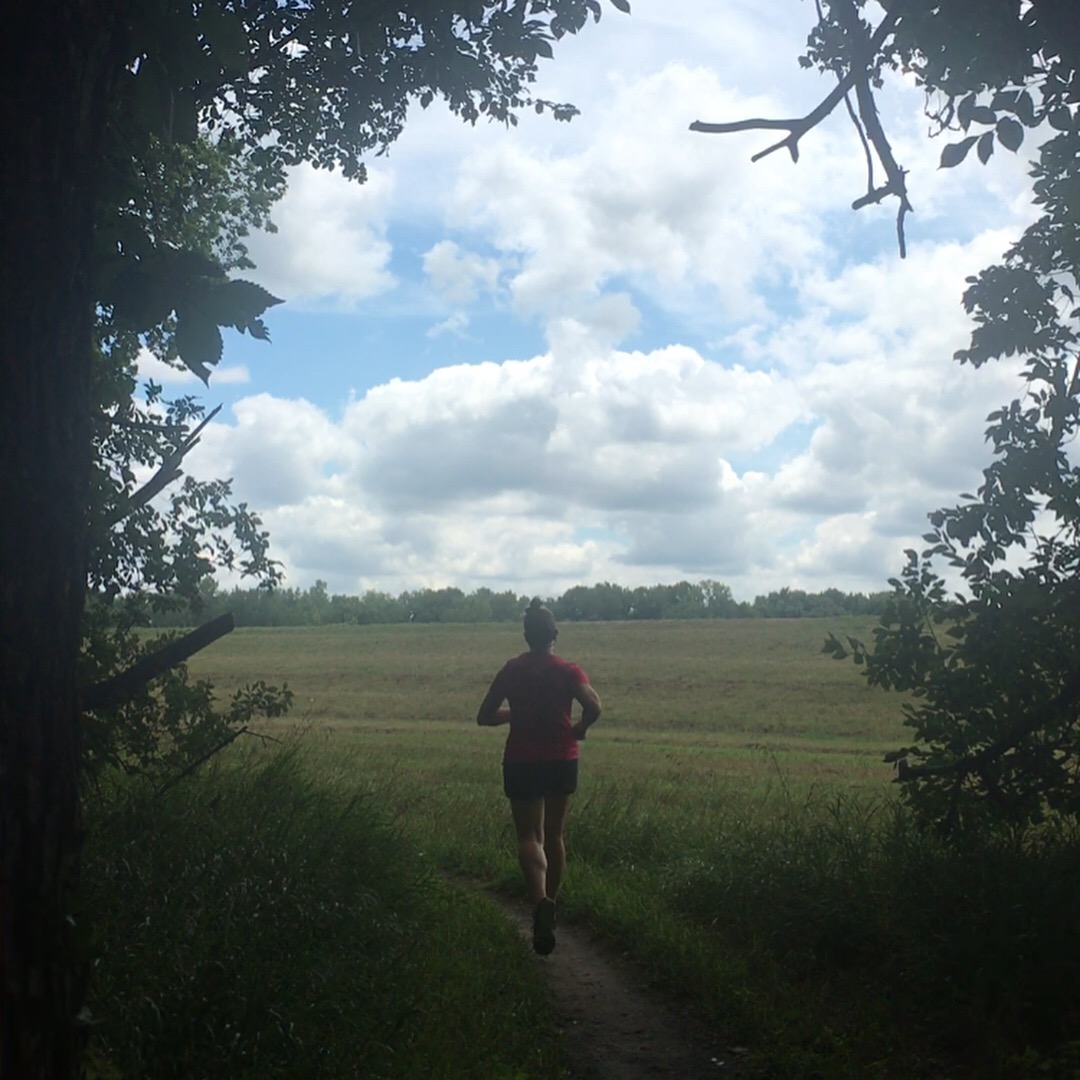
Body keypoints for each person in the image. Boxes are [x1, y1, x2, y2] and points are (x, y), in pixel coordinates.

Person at [476, 597, 602, 955]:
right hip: (561, 758)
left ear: (526, 636)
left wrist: (515, 715)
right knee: (555, 834)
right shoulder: (569, 671)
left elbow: (484, 716)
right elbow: (594, 706)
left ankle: (538, 902)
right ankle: (552, 904)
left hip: (522, 760)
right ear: (555, 635)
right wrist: (581, 728)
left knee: (529, 836)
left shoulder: (512, 670)